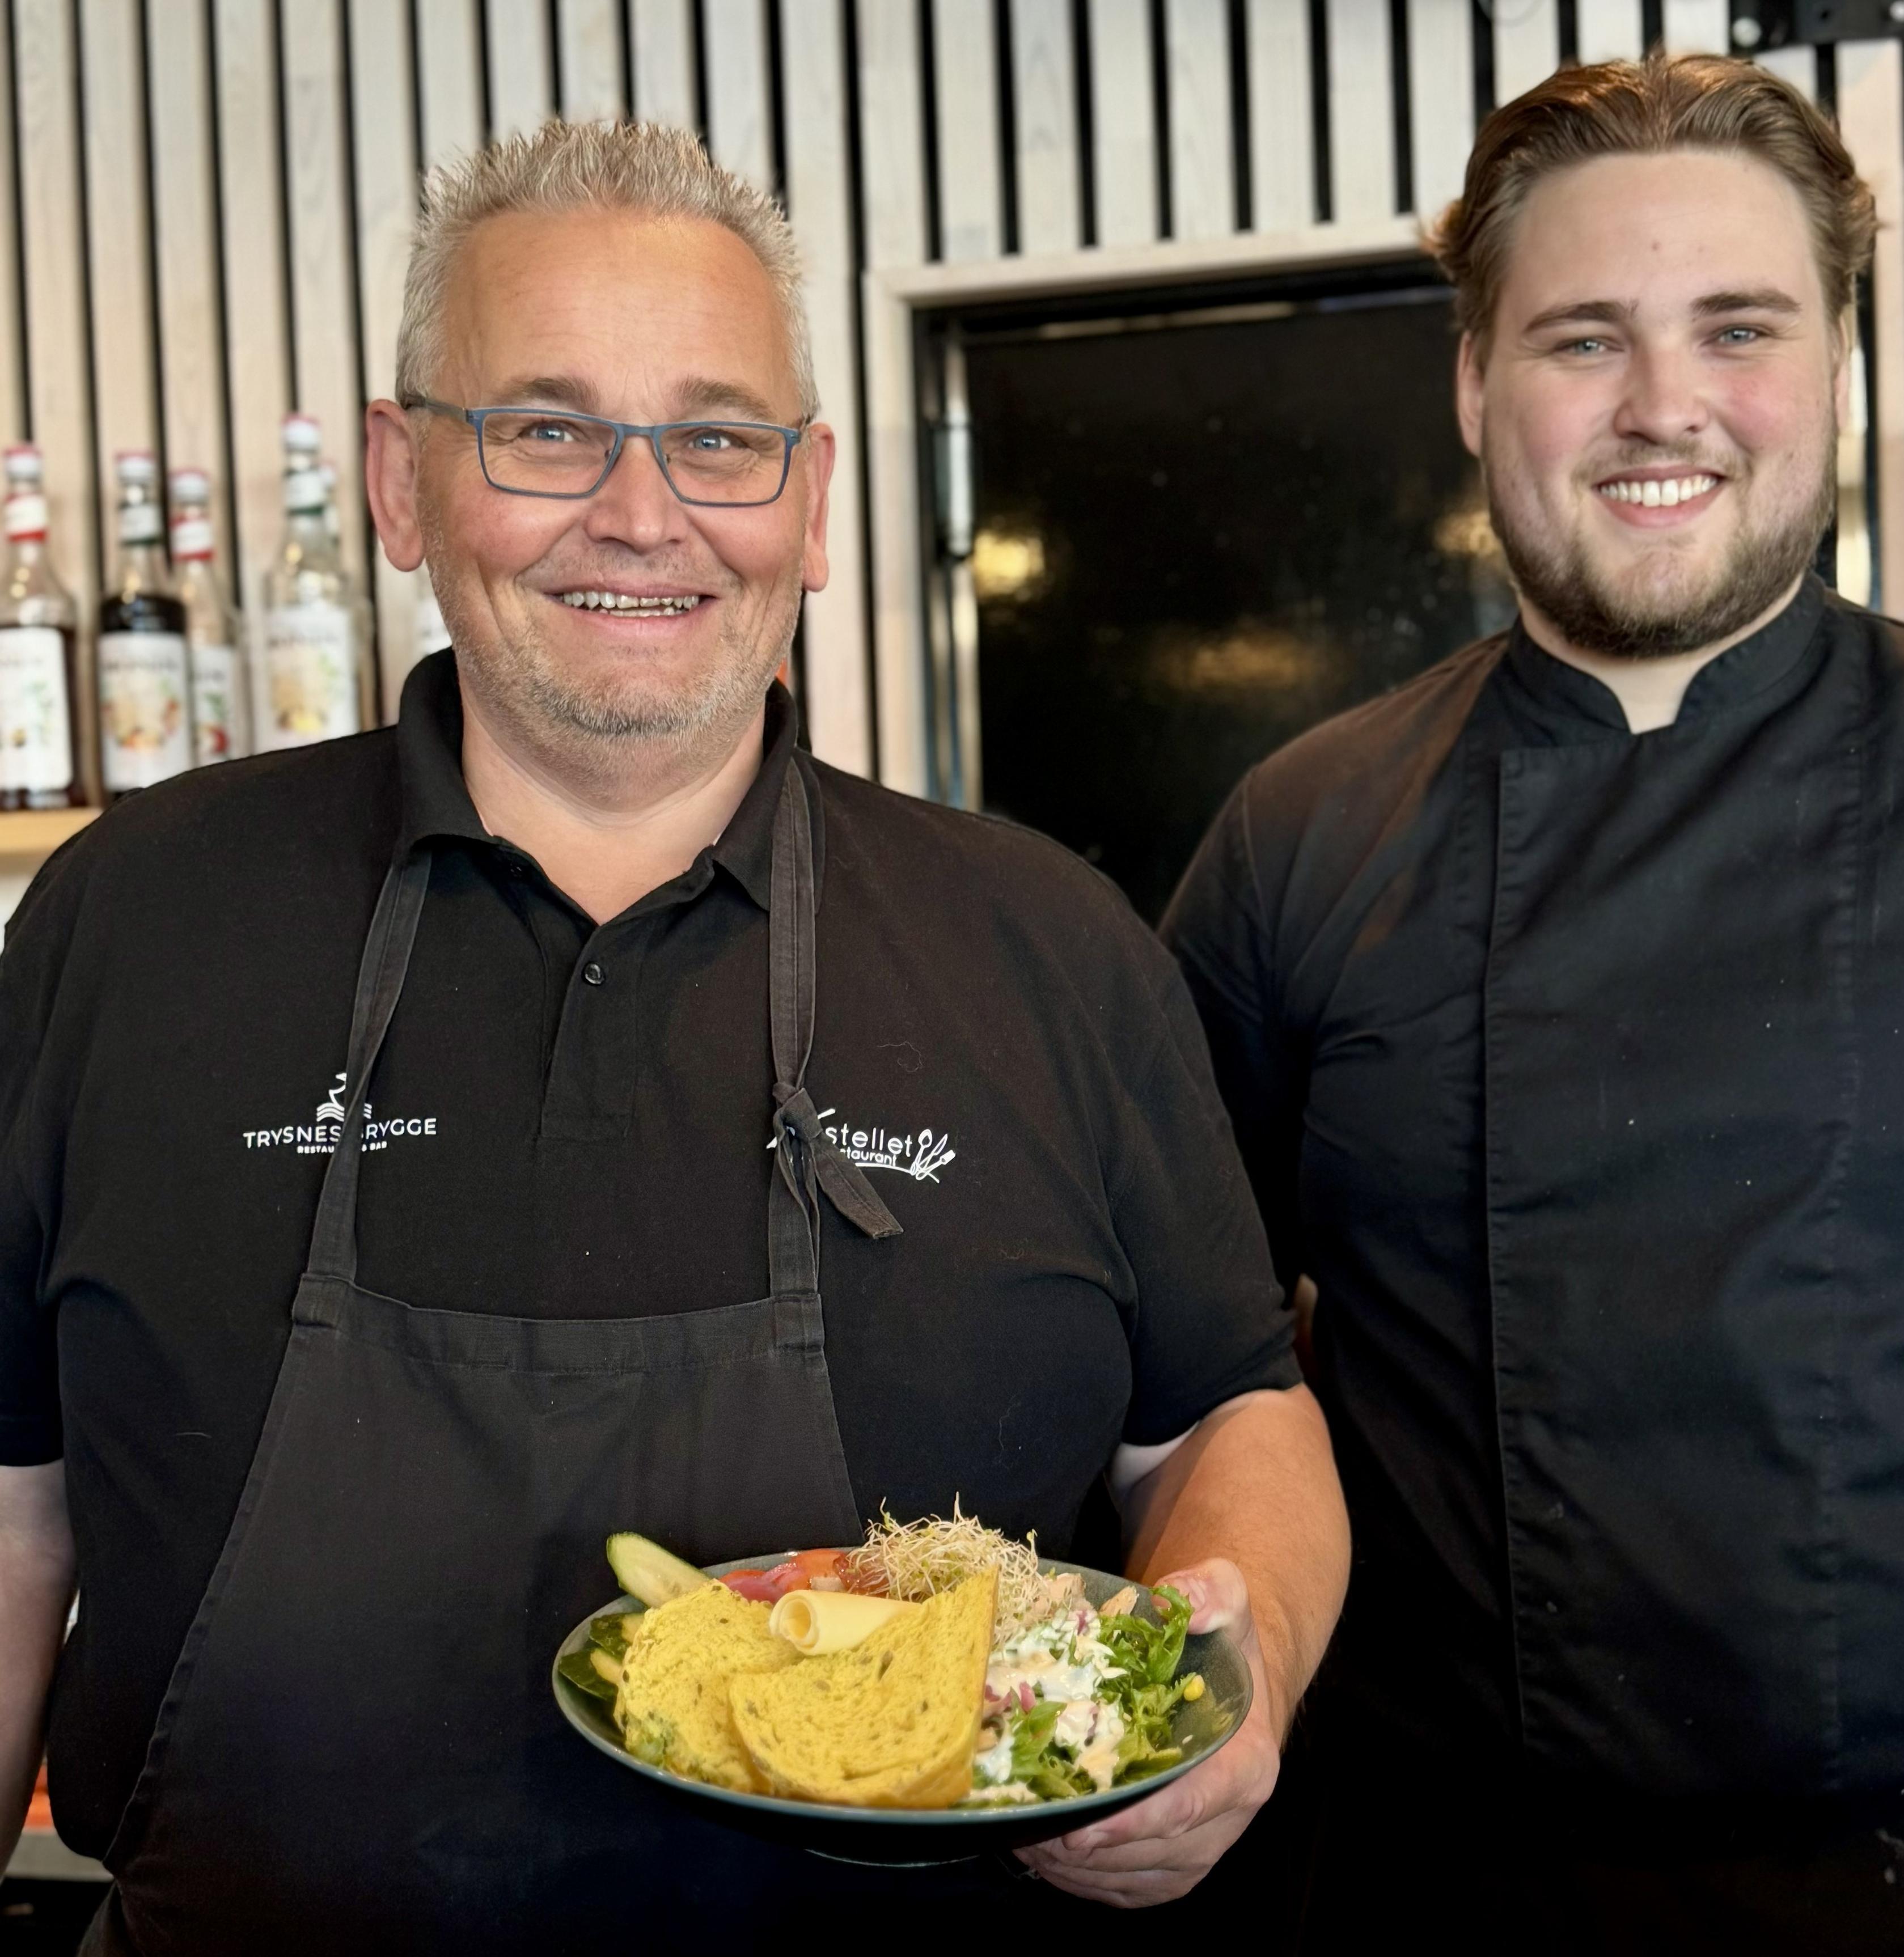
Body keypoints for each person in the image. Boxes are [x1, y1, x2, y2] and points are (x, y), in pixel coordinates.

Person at [0, 121, 1347, 1950]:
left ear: (808, 491)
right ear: (403, 479)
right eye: (547, 427)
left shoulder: (1049, 944)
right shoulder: (126, 921)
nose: (643, 514)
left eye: (717, 436)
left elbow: (1228, 1415)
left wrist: (1236, 1666)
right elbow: (12, 1515)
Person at [1163, 51, 1904, 1956]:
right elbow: (1197, 1356)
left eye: (1739, 327)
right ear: (1475, 386)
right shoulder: (1300, 837)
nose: (1664, 407)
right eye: (1579, 339)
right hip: (1438, 1881)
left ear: (1841, 365)